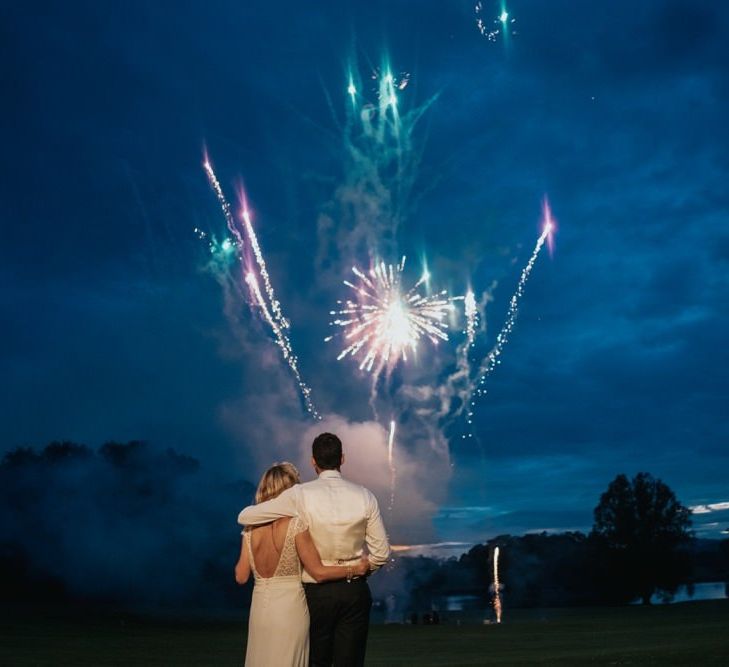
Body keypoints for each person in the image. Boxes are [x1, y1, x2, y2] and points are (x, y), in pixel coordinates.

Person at [238, 433, 391, 667]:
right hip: (354, 591)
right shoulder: (365, 496)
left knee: (316, 661)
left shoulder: (299, 495)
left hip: (316, 591)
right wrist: (362, 570)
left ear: (313, 461)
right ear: (342, 458)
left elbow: (245, 516)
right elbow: (381, 553)